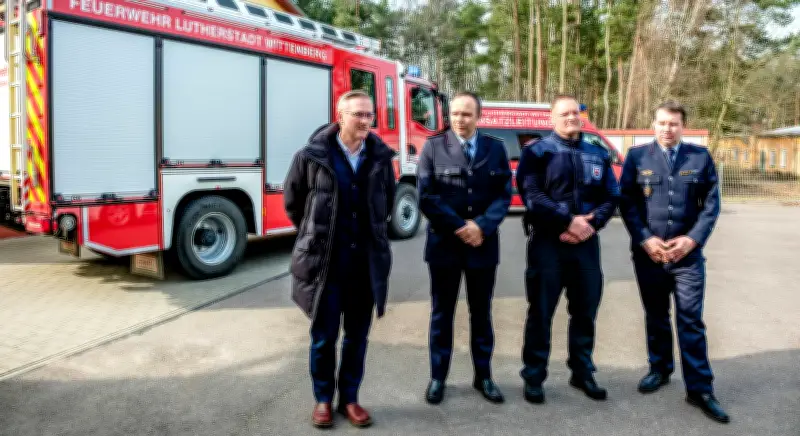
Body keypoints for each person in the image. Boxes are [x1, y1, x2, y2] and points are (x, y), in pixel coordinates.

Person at [283, 89, 396, 429]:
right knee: (323, 337)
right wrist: (317, 236)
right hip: (325, 267)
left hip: (364, 267)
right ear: (340, 116)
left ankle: (349, 399)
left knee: (357, 338)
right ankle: (322, 399)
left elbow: (386, 205)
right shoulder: (312, 156)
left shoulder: (379, 158)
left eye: (369, 115)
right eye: (358, 114)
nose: (365, 121)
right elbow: (295, 203)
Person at [619, 101, 728, 423]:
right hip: (649, 254)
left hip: (687, 256)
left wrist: (692, 239)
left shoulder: (699, 157)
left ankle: (700, 389)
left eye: (674, 124)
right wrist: (645, 239)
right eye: (662, 123)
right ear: (653, 125)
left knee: (690, 320)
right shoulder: (638, 157)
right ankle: (660, 369)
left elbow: (711, 205)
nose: (667, 129)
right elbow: (627, 202)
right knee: (656, 316)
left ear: (683, 126)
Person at [516, 94, 619, 404]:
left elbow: (611, 196)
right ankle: (534, 376)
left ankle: (582, 372)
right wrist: (567, 221)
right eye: (565, 113)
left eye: (576, 112)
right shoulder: (537, 152)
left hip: (586, 244)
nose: (572, 117)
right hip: (548, 243)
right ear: (552, 118)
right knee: (541, 312)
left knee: (585, 311)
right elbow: (532, 195)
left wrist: (591, 224)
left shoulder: (596, 153)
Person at [416, 91, 512, 405]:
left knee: (481, 313)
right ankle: (438, 377)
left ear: (478, 116)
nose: (460, 119)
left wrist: (481, 226)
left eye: (467, 114)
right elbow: (427, 197)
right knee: (442, 314)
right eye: (455, 113)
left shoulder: (495, 149)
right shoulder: (433, 147)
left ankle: (483, 376)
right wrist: (460, 227)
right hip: (445, 246)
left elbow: (503, 195)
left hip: (482, 246)